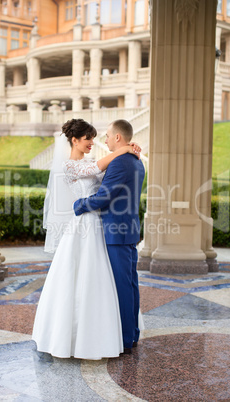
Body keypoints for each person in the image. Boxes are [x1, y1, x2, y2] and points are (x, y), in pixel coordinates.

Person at [32, 118, 141, 360]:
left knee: (104, 280)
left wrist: (127, 151)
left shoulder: (93, 162)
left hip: (100, 226)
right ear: (74, 140)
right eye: (88, 138)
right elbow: (98, 169)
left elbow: (108, 182)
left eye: (94, 137)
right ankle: (78, 337)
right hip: (83, 225)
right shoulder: (70, 166)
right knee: (80, 278)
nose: (93, 142)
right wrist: (125, 148)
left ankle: (108, 330)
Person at [73, 119, 145, 353]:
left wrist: (80, 204)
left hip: (116, 231)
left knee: (122, 286)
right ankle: (132, 333)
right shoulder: (136, 160)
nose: (103, 140)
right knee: (131, 284)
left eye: (106, 136)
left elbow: (104, 197)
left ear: (117, 138)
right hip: (129, 229)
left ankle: (124, 339)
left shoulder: (120, 163)